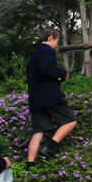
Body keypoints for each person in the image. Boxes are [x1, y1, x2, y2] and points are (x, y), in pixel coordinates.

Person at [26, 27, 76, 167]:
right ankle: (50, 147)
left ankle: (30, 166)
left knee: (38, 131)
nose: (56, 45)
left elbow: (40, 74)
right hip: (50, 96)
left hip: (36, 99)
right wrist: (62, 74)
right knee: (70, 121)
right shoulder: (48, 50)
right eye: (56, 41)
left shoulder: (33, 55)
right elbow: (46, 68)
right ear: (50, 38)